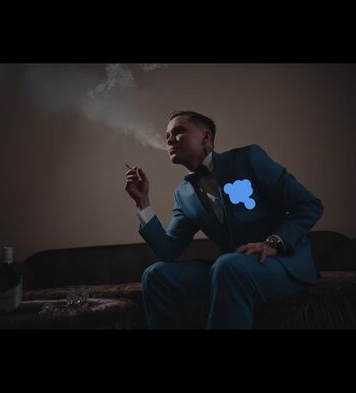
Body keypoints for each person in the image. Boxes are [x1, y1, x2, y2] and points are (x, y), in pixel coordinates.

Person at [124, 111, 324, 329]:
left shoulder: (248, 158)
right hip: (231, 267)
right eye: (167, 136)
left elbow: (309, 205)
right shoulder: (183, 194)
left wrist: (273, 243)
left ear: (206, 137)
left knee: (227, 266)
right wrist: (143, 202)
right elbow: (168, 251)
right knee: (155, 275)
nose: (170, 140)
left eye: (178, 131)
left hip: (281, 263)